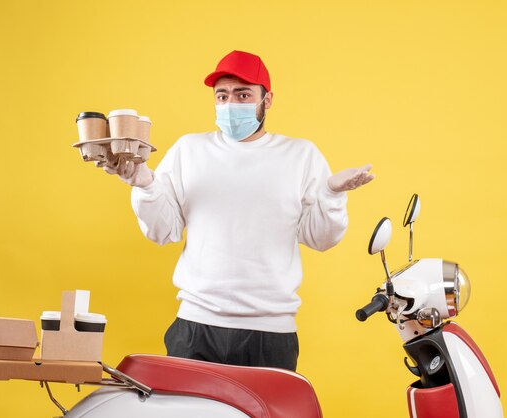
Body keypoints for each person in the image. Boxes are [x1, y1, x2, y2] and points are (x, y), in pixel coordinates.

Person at [105, 50, 374, 371]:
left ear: (268, 99)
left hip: (270, 332)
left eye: (243, 94)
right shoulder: (189, 150)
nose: (231, 104)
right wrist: (145, 184)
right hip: (195, 326)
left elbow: (320, 239)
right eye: (222, 95)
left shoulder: (300, 155)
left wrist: (332, 193)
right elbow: (164, 231)